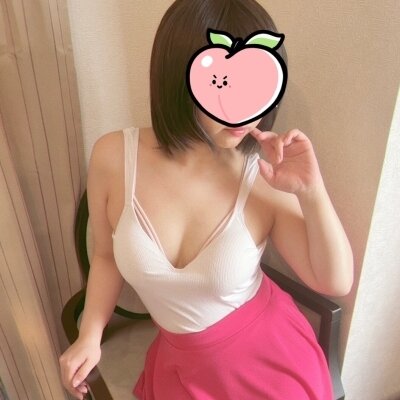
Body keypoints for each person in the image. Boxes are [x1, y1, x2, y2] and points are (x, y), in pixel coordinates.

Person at [59, 1, 354, 399]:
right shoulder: (113, 156)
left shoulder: (261, 175)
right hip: (180, 365)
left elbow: (334, 281)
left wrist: (311, 190)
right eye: (223, 85)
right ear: (179, 79)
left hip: (271, 364)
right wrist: (90, 335)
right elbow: (106, 256)